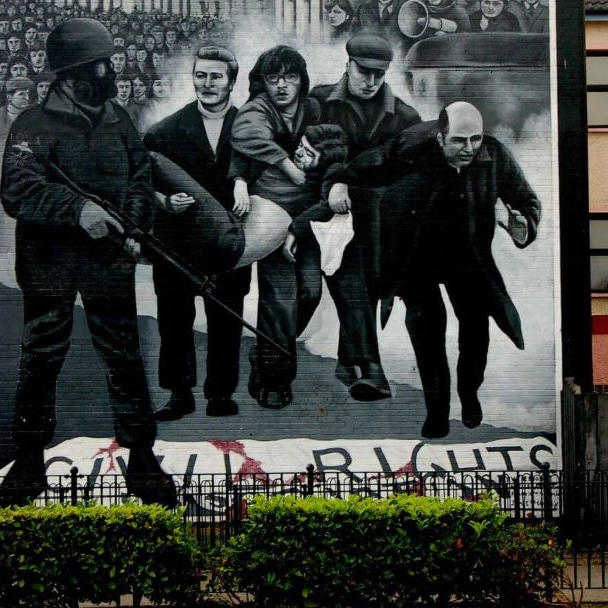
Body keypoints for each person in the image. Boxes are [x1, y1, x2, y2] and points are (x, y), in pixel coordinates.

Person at [0, 18, 175, 507]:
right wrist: (78, 209)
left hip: (107, 262)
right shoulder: (32, 124)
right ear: (76, 73)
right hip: (49, 264)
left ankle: (141, 457)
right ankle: (29, 459)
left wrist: (137, 228)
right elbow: (17, 189)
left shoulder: (117, 117)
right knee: (40, 359)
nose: (110, 70)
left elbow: (139, 175)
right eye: (102, 63)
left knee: (124, 357)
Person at [341, 101, 541, 439]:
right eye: (459, 141)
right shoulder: (410, 148)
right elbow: (365, 165)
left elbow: (526, 199)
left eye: (475, 139)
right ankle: (437, 412)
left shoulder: (492, 156)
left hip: (468, 256)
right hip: (416, 255)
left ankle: (469, 393)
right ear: (439, 137)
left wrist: (524, 225)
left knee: (477, 331)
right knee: (427, 330)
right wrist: (338, 182)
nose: (469, 149)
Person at [144, 46, 251, 420]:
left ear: (232, 82)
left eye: (216, 76)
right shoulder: (164, 132)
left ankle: (220, 394)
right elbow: (139, 186)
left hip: (229, 243)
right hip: (177, 243)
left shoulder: (251, 130)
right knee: (174, 319)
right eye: (201, 75)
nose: (207, 83)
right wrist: (163, 202)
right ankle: (178, 394)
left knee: (227, 317)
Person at [312, 34, 421, 400]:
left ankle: (348, 361)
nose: (371, 81)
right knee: (352, 283)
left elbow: (412, 177)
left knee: (367, 284)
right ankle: (373, 371)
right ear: (348, 64)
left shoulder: (405, 117)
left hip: (378, 221)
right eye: (364, 71)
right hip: (325, 213)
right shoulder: (319, 102)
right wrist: (332, 184)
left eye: (379, 74)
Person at [230, 45, 321, 407]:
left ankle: (267, 350)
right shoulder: (257, 110)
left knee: (310, 294)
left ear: (301, 80)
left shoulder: (314, 109)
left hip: (309, 217)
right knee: (280, 302)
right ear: (262, 82)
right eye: (274, 78)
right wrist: (286, 165)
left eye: (291, 77)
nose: (283, 86)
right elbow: (245, 139)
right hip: (270, 213)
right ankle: (274, 380)